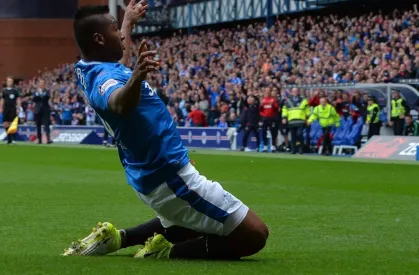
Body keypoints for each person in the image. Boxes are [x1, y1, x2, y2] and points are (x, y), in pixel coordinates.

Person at [64, 3, 268, 260]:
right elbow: (118, 103)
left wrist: (127, 23)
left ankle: (118, 238)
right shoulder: (104, 79)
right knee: (255, 234)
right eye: (116, 31)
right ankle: (165, 253)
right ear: (99, 39)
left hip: (154, 175)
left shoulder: (93, 67)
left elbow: (119, 64)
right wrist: (137, 76)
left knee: (184, 223)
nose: (122, 37)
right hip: (169, 177)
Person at [282, 88, 309, 154]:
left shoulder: (303, 100)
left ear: (298, 92)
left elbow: (307, 110)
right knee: (293, 136)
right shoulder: (288, 100)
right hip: (291, 120)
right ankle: (293, 150)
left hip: (301, 120)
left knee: (299, 134)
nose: (295, 92)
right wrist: (284, 118)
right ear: (291, 92)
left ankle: (301, 148)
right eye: (293, 91)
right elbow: (284, 110)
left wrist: (307, 118)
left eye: (296, 91)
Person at [1, 76, 20, 144]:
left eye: (11, 81)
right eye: (8, 81)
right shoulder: (4, 90)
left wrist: (18, 107)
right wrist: (1, 108)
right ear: (7, 82)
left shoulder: (15, 91)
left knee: (13, 124)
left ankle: (13, 138)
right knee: (5, 124)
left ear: (12, 82)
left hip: (13, 108)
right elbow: (2, 100)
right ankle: (9, 139)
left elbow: (18, 99)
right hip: (6, 108)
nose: (9, 82)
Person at [259, 87, 279, 152]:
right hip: (264, 118)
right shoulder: (263, 100)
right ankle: (265, 146)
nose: (267, 92)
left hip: (272, 118)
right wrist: (261, 106)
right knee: (263, 132)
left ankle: (273, 146)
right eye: (266, 91)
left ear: (270, 92)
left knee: (273, 132)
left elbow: (277, 109)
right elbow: (260, 110)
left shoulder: (273, 100)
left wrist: (273, 105)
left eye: (268, 91)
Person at [32, 79, 52, 144]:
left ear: (44, 84)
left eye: (43, 83)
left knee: (46, 125)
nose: (41, 84)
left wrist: (40, 96)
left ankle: (48, 139)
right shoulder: (35, 91)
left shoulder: (47, 91)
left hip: (45, 110)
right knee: (38, 125)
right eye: (40, 83)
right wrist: (40, 96)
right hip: (37, 110)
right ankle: (39, 139)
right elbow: (34, 98)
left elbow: (47, 97)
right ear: (38, 84)